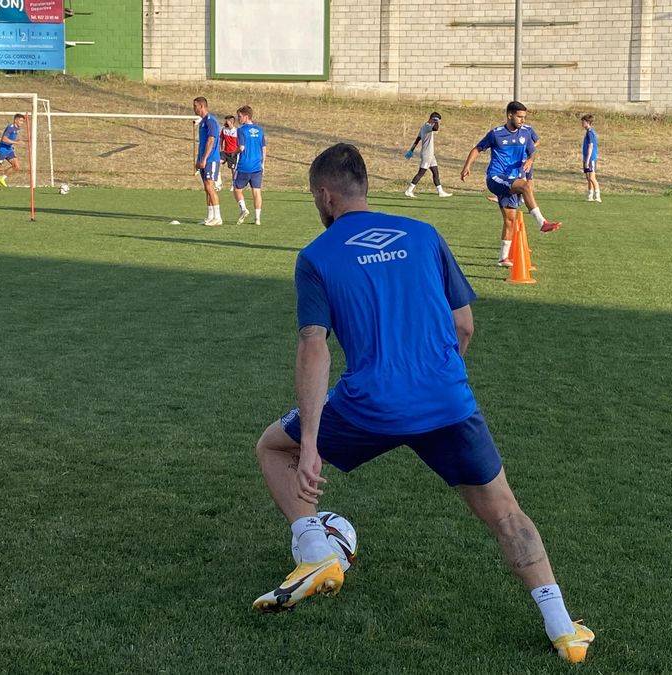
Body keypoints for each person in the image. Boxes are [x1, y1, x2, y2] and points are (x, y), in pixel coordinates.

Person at [251, 143, 595, 665]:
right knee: (505, 512)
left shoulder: (317, 257)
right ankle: (563, 628)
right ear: (363, 188)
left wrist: (314, 443)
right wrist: (440, 376)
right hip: (446, 402)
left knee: (275, 448)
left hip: (369, 406)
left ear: (324, 195)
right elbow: (464, 325)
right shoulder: (424, 235)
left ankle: (317, 551)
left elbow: (313, 346)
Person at [460, 101, 561, 267]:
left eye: (524, 117)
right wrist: (467, 167)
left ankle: (502, 258)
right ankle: (542, 222)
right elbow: (477, 149)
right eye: (519, 117)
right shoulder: (496, 134)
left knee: (510, 221)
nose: (522, 120)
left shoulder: (526, 133)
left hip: (513, 181)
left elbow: (533, 152)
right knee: (526, 186)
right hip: (496, 178)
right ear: (510, 115)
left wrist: (529, 159)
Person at [404, 112, 451, 198]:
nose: (437, 123)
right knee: (421, 173)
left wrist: (411, 150)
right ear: (433, 119)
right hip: (427, 155)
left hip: (431, 155)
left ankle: (440, 192)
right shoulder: (427, 126)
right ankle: (409, 190)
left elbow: (417, 139)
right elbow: (436, 128)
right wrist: (436, 121)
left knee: (435, 173)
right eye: (436, 120)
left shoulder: (424, 127)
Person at [232, 105, 266, 225]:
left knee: (237, 189)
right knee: (256, 192)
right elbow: (263, 148)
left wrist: (233, 153)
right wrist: (263, 164)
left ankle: (243, 209)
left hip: (244, 165)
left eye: (240, 116)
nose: (238, 119)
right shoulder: (260, 130)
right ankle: (257, 219)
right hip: (257, 166)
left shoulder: (241, 130)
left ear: (246, 116)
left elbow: (241, 148)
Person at [192, 96, 223, 226]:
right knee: (206, 188)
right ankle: (210, 216)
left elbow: (211, 140)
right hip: (204, 159)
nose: (194, 109)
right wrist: (198, 159)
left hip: (211, 159)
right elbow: (203, 142)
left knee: (210, 186)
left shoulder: (211, 121)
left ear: (202, 106)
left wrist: (204, 158)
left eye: (195, 106)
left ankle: (218, 217)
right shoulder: (203, 122)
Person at [0, 113, 25, 192]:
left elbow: (10, 139)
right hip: (1, 150)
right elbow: (4, 139)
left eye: (22, 121)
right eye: (20, 120)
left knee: (16, 166)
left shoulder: (17, 128)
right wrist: (16, 143)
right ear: (16, 120)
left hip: (9, 150)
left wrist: (16, 141)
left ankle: (2, 178)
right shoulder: (10, 128)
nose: (21, 122)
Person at [582, 114, 601, 202]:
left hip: (591, 158)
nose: (582, 123)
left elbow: (591, 146)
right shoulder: (587, 132)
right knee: (588, 177)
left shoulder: (590, 133)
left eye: (583, 122)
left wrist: (588, 159)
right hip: (586, 157)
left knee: (592, 177)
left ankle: (597, 196)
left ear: (588, 122)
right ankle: (590, 195)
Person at [220, 114, 239, 190]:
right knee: (217, 163)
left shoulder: (236, 131)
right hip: (225, 152)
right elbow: (221, 139)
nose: (225, 122)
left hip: (233, 153)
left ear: (231, 122)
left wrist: (237, 152)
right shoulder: (224, 130)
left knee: (233, 170)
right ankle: (218, 184)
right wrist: (221, 148)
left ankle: (233, 185)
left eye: (227, 121)